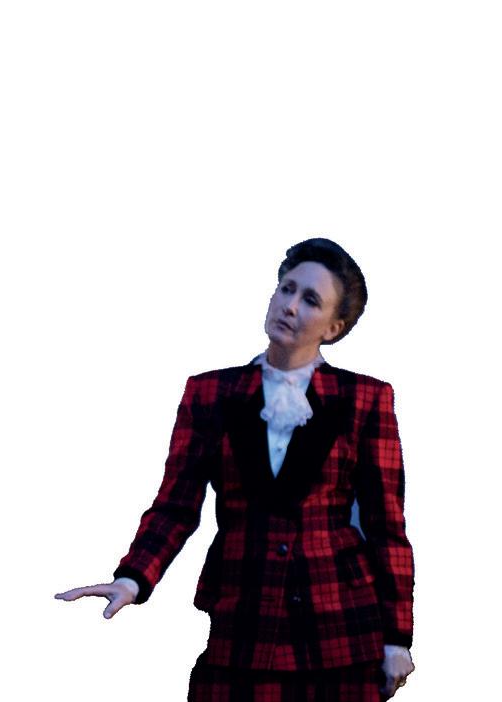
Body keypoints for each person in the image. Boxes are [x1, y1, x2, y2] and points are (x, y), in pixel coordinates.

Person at [57, 238, 415, 700]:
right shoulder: (210, 393)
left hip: (340, 628)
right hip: (244, 621)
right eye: (287, 289)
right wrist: (133, 577)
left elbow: (385, 527)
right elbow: (175, 506)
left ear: (333, 327)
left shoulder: (365, 399)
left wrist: (397, 637)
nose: (290, 305)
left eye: (310, 300)